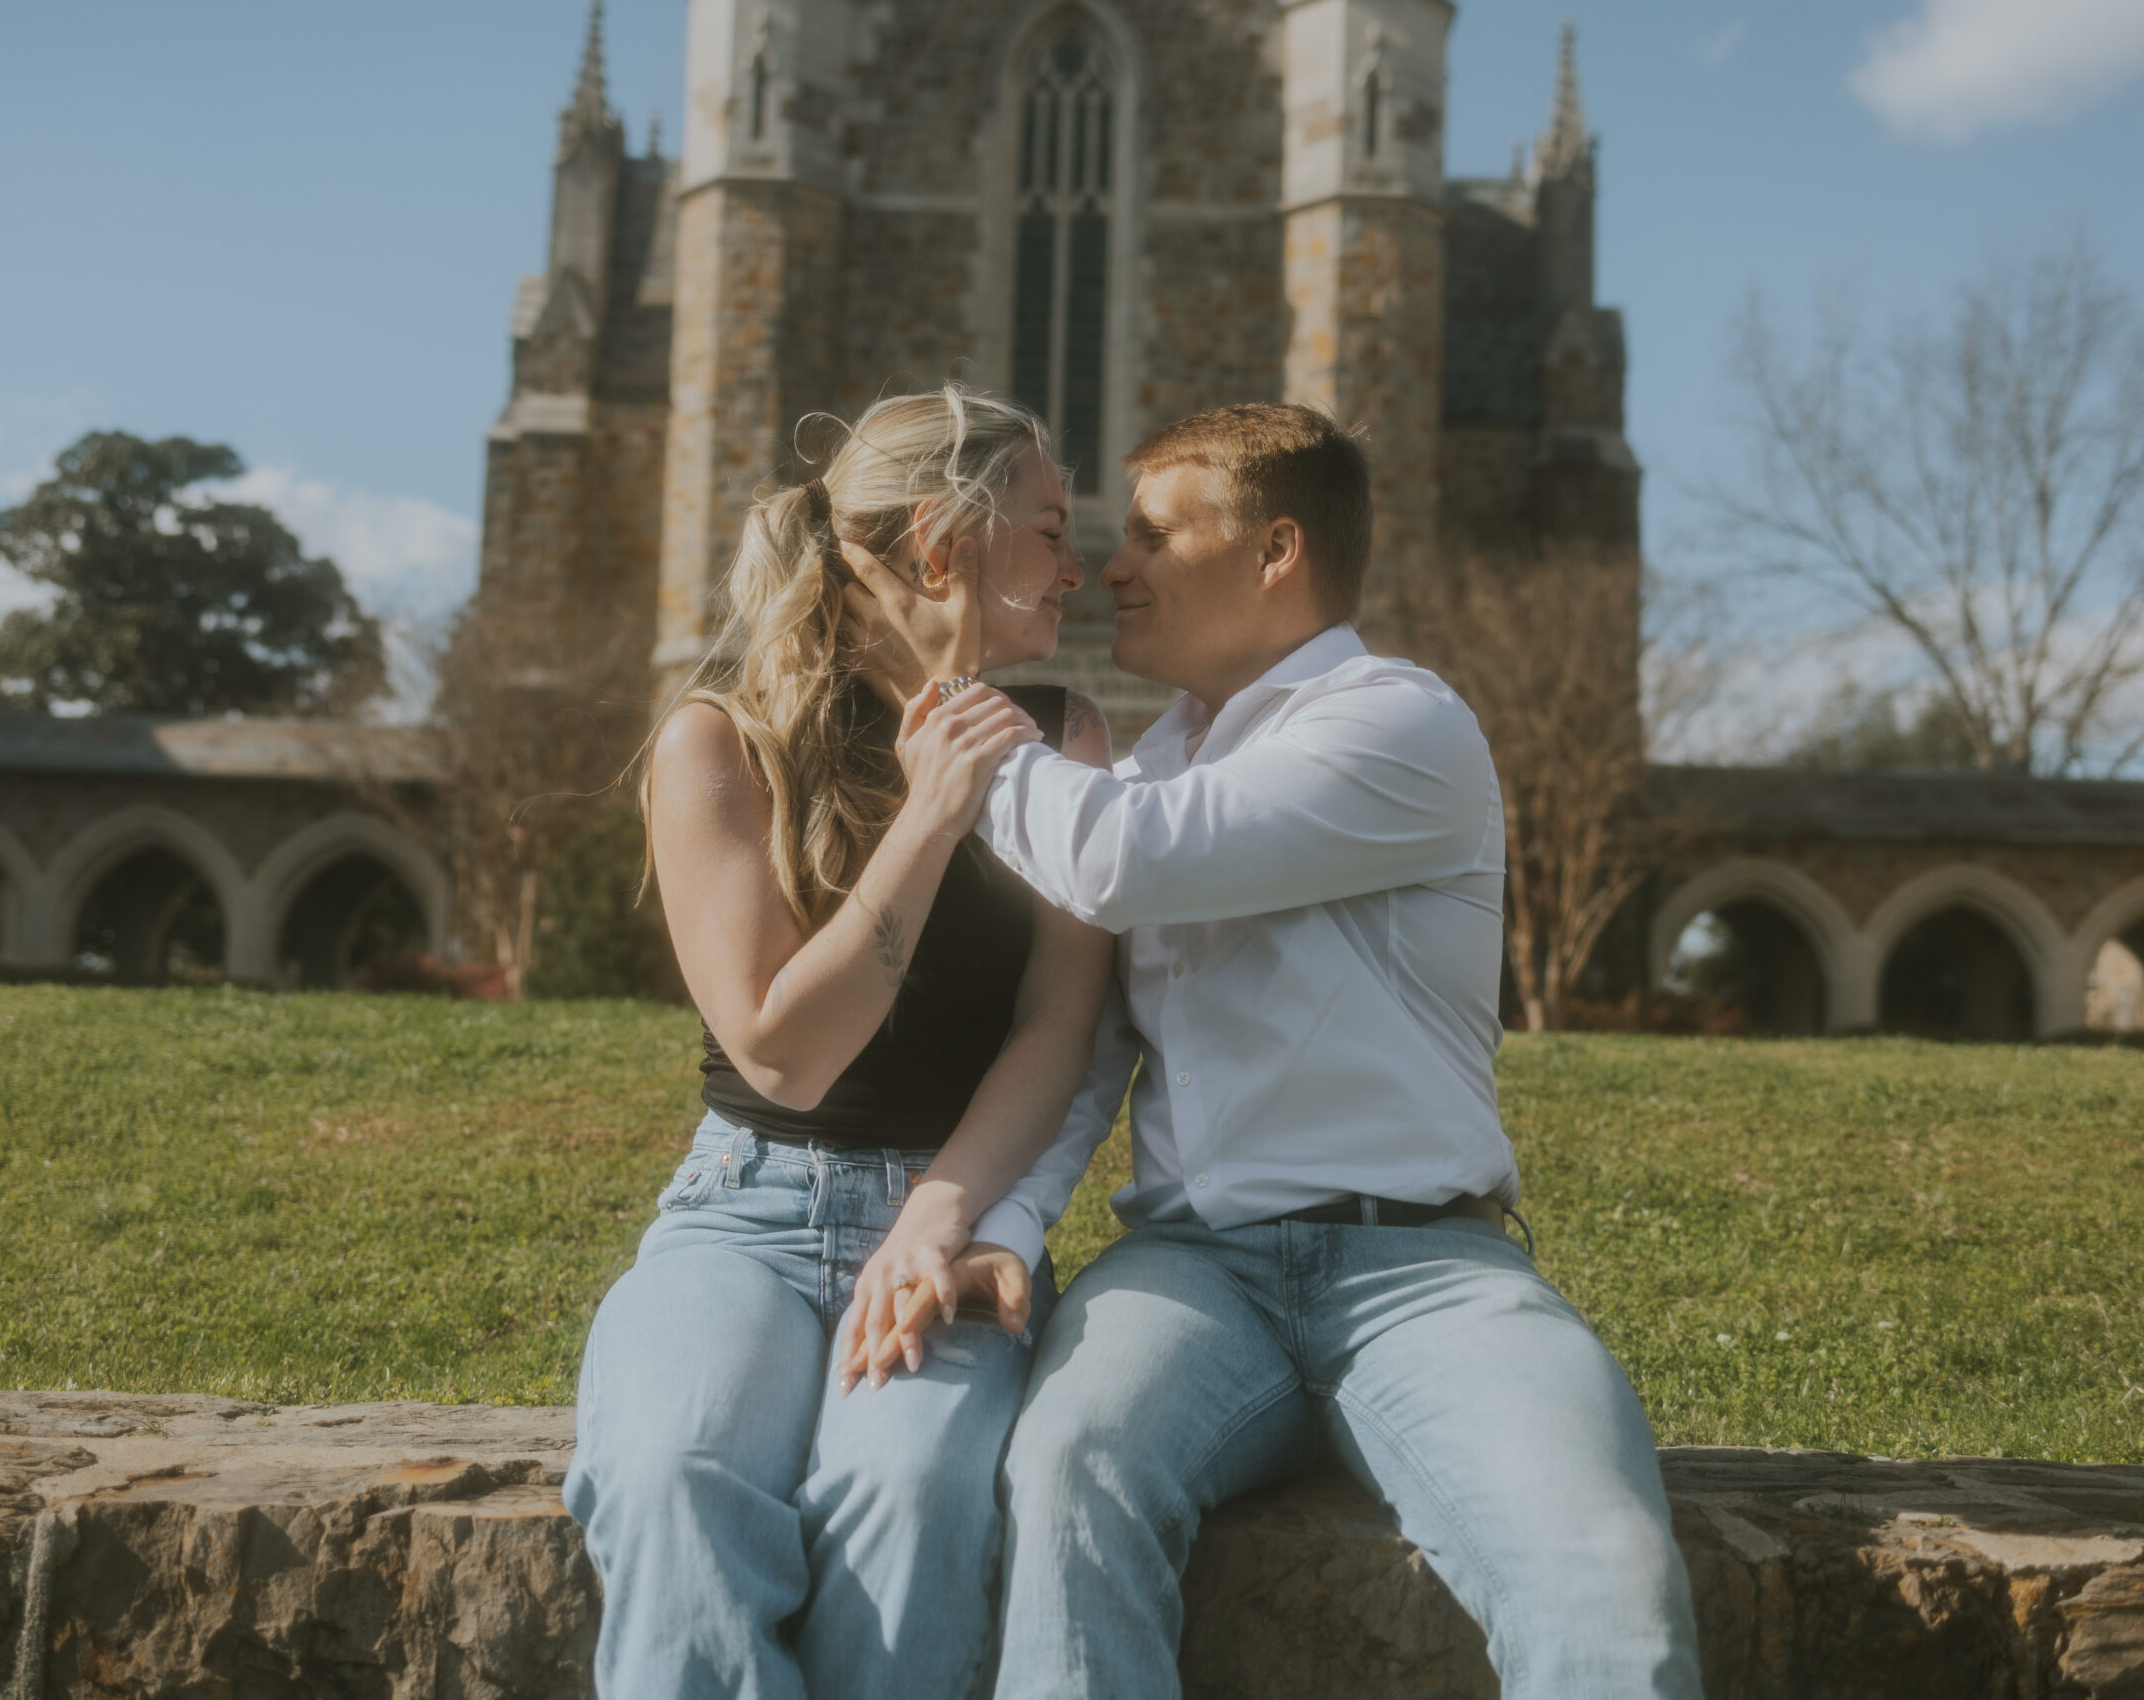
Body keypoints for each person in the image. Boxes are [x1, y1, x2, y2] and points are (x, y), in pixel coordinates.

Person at [845, 403, 1705, 1698]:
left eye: (1153, 534)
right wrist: (1004, 1227)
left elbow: (1129, 864)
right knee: (1069, 1471)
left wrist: (937, 688)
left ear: (1276, 552)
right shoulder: (1154, 764)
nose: (1109, 565)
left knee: (1603, 1573)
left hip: (1425, 1271)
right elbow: (1091, 1044)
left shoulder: (1399, 724)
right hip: (1195, 1278)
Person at [562, 385, 1116, 1700]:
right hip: (743, 1213)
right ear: (946, 544)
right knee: (671, 1474)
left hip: (953, 1220)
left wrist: (942, 1211)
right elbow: (780, 1053)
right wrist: (928, 821)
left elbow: (1060, 1024)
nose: (1078, 568)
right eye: (1047, 530)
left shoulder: (1063, 730)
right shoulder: (721, 739)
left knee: (912, 1493)